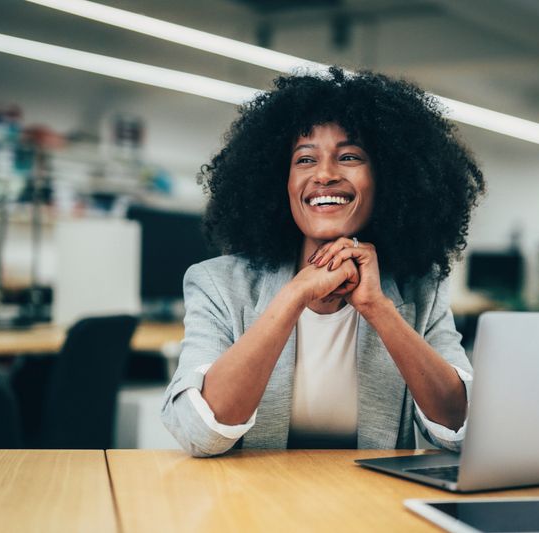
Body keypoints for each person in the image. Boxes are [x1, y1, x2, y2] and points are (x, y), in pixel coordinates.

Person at [162, 67, 485, 457]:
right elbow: (200, 433)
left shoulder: (420, 289)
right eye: (304, 159)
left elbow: (463, 430)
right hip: (247, 508)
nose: (325, 175)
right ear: (278, 181)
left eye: (349, 156)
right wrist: (295, 293)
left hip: (367, 510)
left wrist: (379, 309)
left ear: (388, 179)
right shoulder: (217, 284)